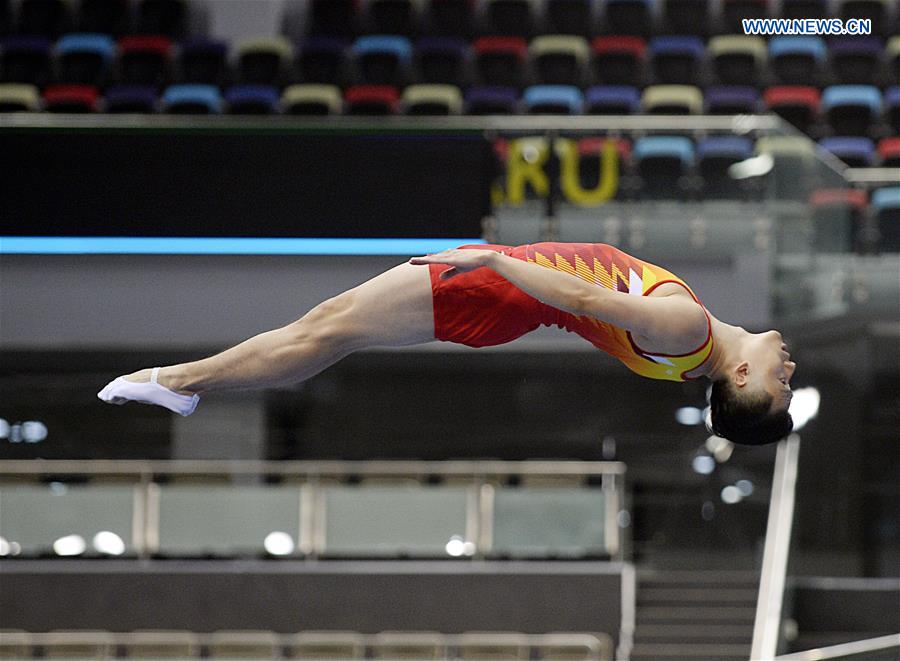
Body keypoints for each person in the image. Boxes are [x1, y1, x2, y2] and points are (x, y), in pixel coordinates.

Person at [98, 242, 795, 445]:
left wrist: (495, 261)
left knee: (327, 326)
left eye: (778, 384)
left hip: (498, 289)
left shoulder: (688, 332)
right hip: (507, 302)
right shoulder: (682, 366)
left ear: (738, 373)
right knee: (331, 331)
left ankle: (183, 380)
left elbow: (581, 297)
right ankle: (187, 383)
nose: (788, 369)